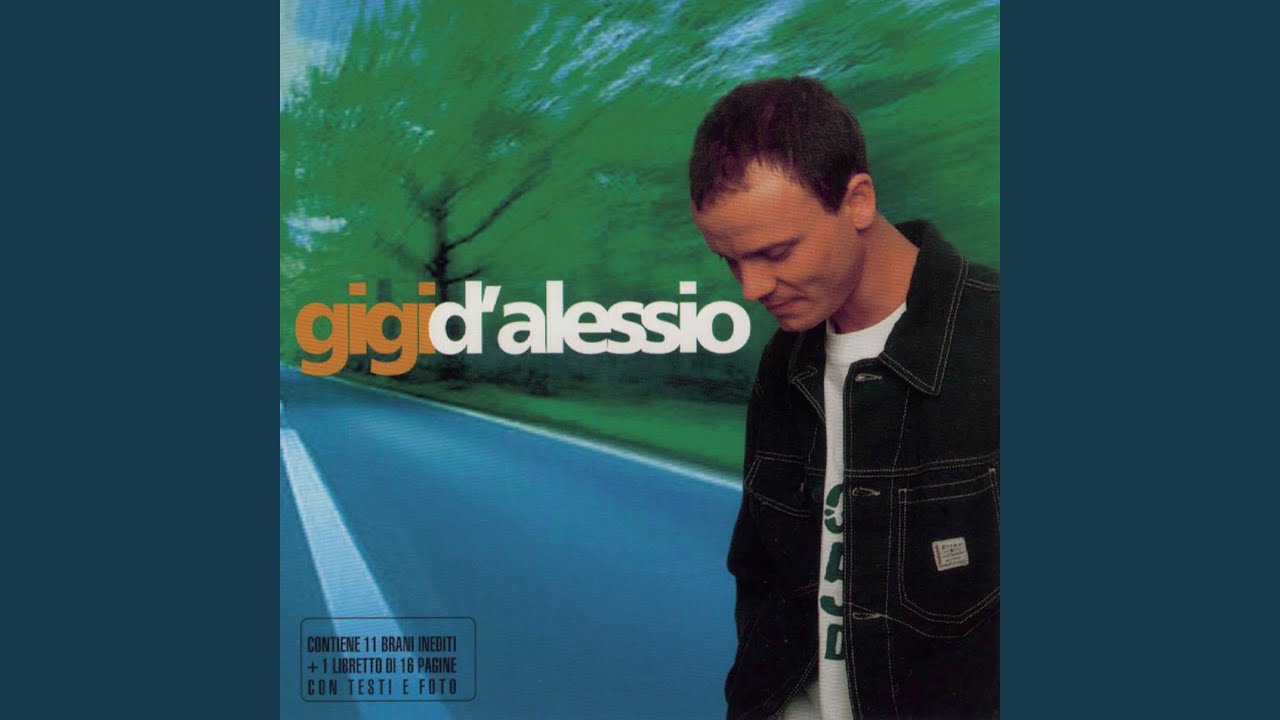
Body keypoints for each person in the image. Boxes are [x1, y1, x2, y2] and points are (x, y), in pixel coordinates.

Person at [689, 77, 999, 720]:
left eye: (775, 252)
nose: (751, 288)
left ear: (857, 201)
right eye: (730, 260)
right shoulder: (783, 363)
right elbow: (760, 579)